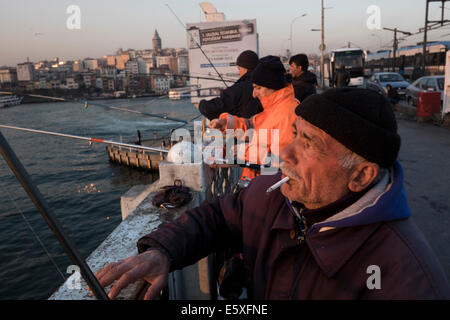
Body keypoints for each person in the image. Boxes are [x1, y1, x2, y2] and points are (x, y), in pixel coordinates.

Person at [93, 88, 450, 300]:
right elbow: (218, 215)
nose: (286, 153)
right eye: (295, 133)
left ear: (360, 175)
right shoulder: (275, 194)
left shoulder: (405, 279)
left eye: (309, 144)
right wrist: (163, 250)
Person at [209, 55, 299, 181]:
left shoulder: (289, 113)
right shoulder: (274, 108)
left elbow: (281, 159)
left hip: (268, 186)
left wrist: (243, 152)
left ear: (272, 86)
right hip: (256, 180)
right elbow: (251, 125)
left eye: (258, 88)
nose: (254, 94)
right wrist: (225, 123)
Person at [198, 50, 263, 120]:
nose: (238, 73)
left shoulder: (239, 89)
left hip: (242, 129)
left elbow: (214, 108)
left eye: (239, 69)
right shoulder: (264, 85)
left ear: (245, 69)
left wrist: (202, 104)